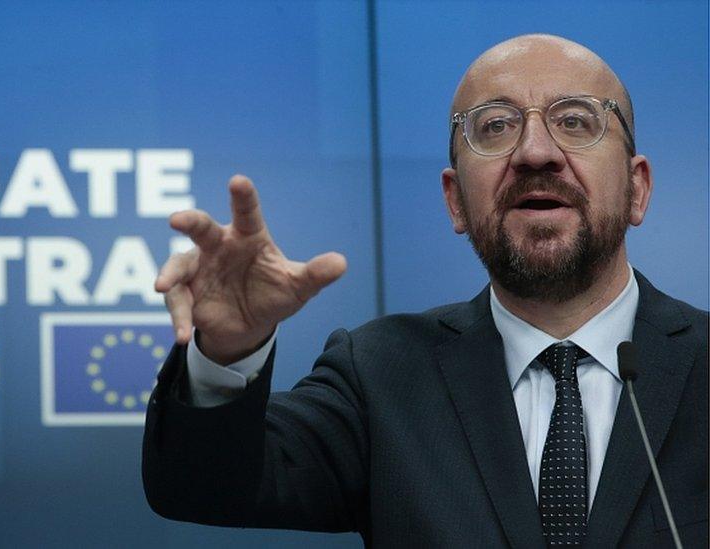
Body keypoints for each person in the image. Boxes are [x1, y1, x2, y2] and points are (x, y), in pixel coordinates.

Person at [142, 34, 708, 547]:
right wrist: (227, 352)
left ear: (638, 189)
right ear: (456, 201)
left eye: (576, 121)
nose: (536, 152)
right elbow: (203, 488)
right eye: (495, 126)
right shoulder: (382, 373)